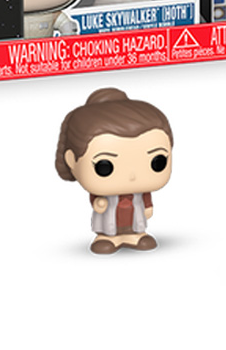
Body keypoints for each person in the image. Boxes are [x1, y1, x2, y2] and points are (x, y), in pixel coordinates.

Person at [56, 88, 174, 253]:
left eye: (157, 161)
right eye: (105, 166)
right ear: (71, 160)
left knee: (136, 222)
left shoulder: (140, 192)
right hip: (110, 213)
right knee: (109, 223)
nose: (132, 176)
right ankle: (108, 237)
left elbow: (146, 199)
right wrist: (98, 203)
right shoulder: (103, 192)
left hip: (135, 212)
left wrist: (148, 207)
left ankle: (135, 235)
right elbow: (96, 201)